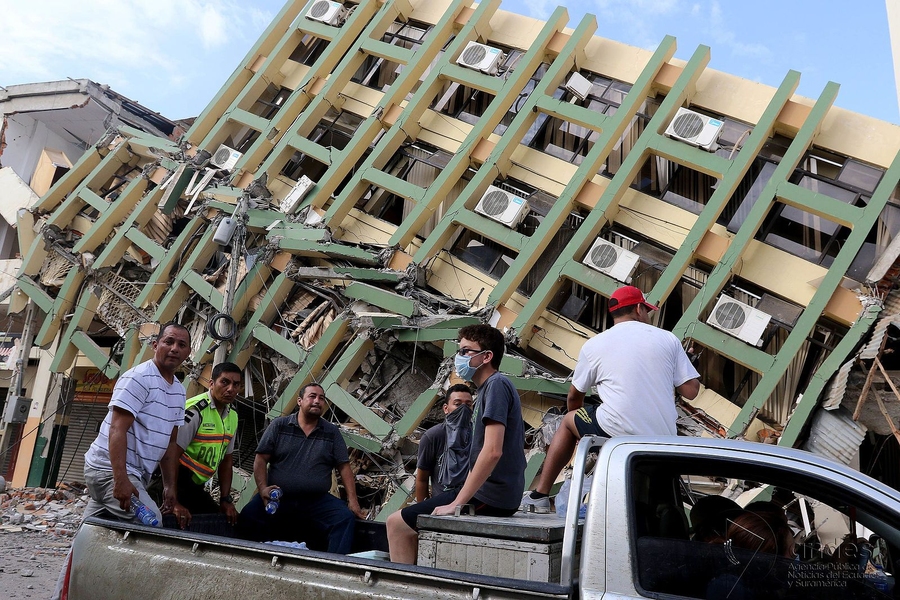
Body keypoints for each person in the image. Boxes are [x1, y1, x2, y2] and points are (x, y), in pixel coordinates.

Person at [521, 285, 700, 513]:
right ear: (638, 309)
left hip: (614, 428)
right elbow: (691, 391)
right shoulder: (668, 339)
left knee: (568, 421)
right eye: (647, 310)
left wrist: (581, 427)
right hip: (663, 436)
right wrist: (691, 364)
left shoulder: (594, 345)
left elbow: (574, 395)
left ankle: (541, 495)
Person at [52, 322, 191, 600]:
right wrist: (121, 480)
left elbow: (170, 445)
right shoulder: (138, 377)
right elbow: (117, 430)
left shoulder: (178, 391)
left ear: (187, 352)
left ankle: (63, 595)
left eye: (181, 345)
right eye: (169, 341)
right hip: (108, 470)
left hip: (134, 475)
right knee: (152, 526)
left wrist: (169, 489)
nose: (174, 348)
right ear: (156, 345)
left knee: (87, 537)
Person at [387, 324, 526, 564]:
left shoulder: (495, 386)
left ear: (487, 357)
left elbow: (492, 451)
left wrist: (457, 503)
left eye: (466, 351)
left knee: (396, 524)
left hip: (491, 496)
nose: (459, 357)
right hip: (492, 494)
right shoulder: (487, 390)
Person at [236, 383, 366, 553]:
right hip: (280, 498)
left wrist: (353, 501)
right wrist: (262, 489)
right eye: (312, 396)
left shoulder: (331, 432)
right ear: (299, 401)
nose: (317, 401)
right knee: (248, 515)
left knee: (344, 518)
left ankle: (335, 569)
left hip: (316, 501)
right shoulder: (279, 426)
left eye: (321, 398)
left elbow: (344, 467)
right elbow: (260, 459)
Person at [160, 361, 242, 527]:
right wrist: (172, 500)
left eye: (236, 384)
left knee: (220, 522)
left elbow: (227, 460)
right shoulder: (195, 410)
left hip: (194, 486)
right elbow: (171, 455)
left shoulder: (232, 415)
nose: (230, 389)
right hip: (171, 481)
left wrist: (225, 499)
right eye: (225, 382)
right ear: (211, 384)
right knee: (172, 525)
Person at [415, 383, 474, 502]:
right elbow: (422, 479)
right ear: (446, 408)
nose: (464, 409)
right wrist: (423, 512)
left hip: (472, 504)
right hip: (441, 504)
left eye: (468, 405)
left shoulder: (479, 436)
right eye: (457, 404)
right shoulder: (433, 436)